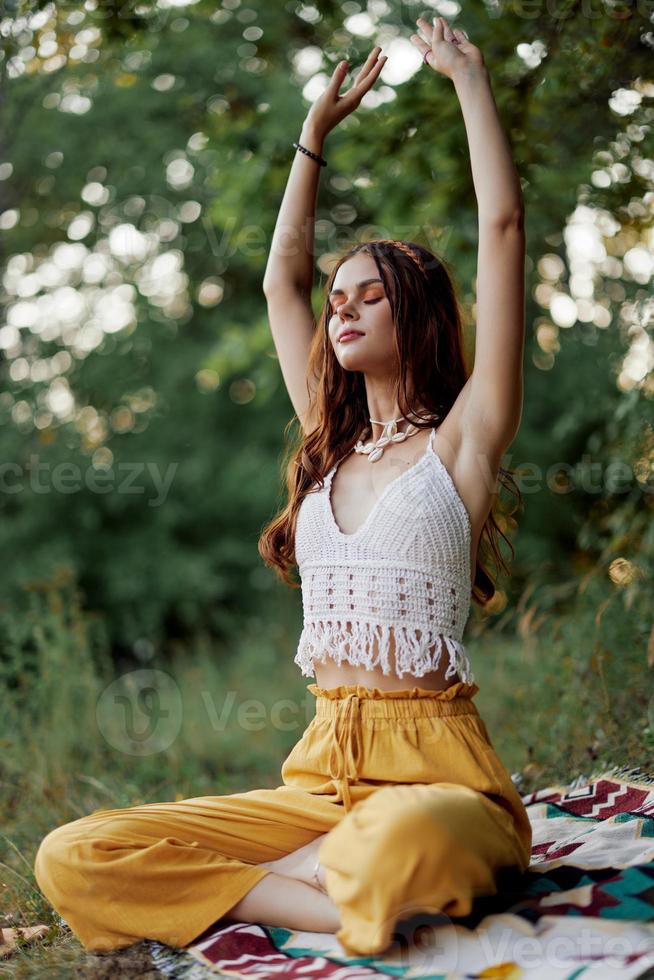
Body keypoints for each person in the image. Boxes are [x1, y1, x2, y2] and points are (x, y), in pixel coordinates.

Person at [33, 18, 531, 959]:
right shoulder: (328, 443)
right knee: (74, 854)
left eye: (368, 295)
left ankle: (314, 882)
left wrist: (468, 80)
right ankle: (339, 894)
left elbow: (501, 230)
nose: (339, 308)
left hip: (436, 778)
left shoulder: (465, 438)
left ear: (416, 311)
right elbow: (280, 280)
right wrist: (313, 136)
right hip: (316, 777)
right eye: (337, 298)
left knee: (405, 842)